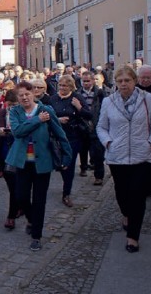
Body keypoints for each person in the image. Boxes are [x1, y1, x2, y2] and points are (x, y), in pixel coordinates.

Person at [97, 66, 151, 253]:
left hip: (142, 156)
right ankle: (126, 213)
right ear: (115, 82)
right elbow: (101, 127)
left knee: (137, 194)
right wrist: (108, 143)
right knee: (122, 193)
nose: (124, 84)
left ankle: (133, 236)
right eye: (120, 81)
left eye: (127, 80)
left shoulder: (150, 100)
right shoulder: (109, 102)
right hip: (117, 157)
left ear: (135, 81)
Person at [6, 81, 72, 251]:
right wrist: (37, 120)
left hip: (42, 162)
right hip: (22, 162)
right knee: (21, 196)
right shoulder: (15, 111)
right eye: (20, 95)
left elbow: (60, 133)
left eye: (27, 94)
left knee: (39, 200)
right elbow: (18, 132)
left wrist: (67, 156)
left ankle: (36, 235)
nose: (24, 97)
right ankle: (31, 219)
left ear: (33, 93)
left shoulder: (46, 111)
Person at [49, 75, 92, 207]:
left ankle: (66, 193)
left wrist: (79, 107)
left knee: (69, 164)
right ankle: (65, 181)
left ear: (71, 87)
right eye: (60, 85)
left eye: (65, 86)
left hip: (73, 136)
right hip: (57, 136)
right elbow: (47, 115)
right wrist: (58, 120)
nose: (62, 88)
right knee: (60, 164)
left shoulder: (76, 98)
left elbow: (89, 115)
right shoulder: (53, 99)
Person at [0, 89, 20, 229]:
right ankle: (19, 206)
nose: (11, 107)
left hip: (20, 155)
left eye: (14, 104)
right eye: (9, 104)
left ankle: (11, 216)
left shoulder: (23, 114)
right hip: (5, 156)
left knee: (17, 188)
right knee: (12, 186)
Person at [77, 71, 107, 182]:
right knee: (83, 149)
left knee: (98, 152)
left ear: (93, 81)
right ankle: (83, 167)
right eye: (83, 81)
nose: (85, 83)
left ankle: (99, 176)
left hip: (96, 124)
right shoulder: (78, 93)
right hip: (82, 125)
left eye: (88, 81)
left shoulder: (99, 93)